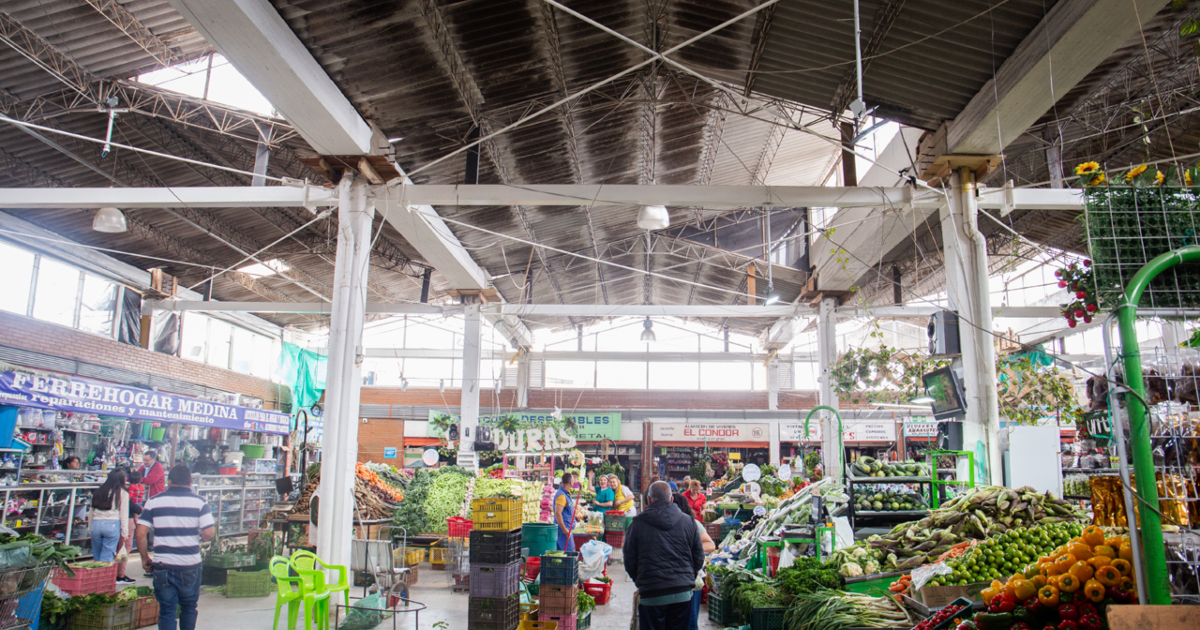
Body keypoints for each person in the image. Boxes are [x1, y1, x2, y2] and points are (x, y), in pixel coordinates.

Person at [138, 465, 214, 630]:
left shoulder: (153, 501)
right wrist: (199, 536)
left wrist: (144, 558)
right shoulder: (200, 502)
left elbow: (140, 533)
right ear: (190, 483)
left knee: (167, 610)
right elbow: (209, 531)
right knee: (188, 607)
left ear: (168, 481)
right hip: (190, 565)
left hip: (162, 565)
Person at [623, 482, 704, 630]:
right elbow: (698, 557)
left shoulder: (636, 524)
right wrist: (686, 578)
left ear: (648, 499)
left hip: (651, 594)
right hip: (682, 594)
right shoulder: (689, 522)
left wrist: (643, 581)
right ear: (671, 499)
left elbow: (629, 560)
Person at [672, 493, 716, 630]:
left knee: (690, 622)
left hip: (689, 580)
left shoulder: (693, 524)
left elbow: (710, 545)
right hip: (669, 581)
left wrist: (690, 551)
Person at [90, 469, 129, 564]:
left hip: (96, 525)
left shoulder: (98, 492)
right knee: (107, 556)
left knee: (97, 555)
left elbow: (91, 511)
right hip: (112, 525)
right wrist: (125, 533)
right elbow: (123, 514)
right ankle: (104, 578)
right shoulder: (122, 493)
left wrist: (89, 528)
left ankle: (95, 577)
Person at [116, 504, 142, 583]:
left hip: (113, 520)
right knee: (125, 548)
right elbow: (132, 507)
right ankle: (120, 574)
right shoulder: (123, 493)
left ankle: (114, 572)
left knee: (118, 548)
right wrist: (140, 509)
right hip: (126, 521)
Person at [553, 472, 577, 552]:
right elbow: (557, 513)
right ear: (570, 482)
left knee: (561, 554)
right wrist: (564, 529)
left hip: (566, 529)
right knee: (569, 553)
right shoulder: (562, 496)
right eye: (573, 480)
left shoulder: (565, 494)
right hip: (563, 531)